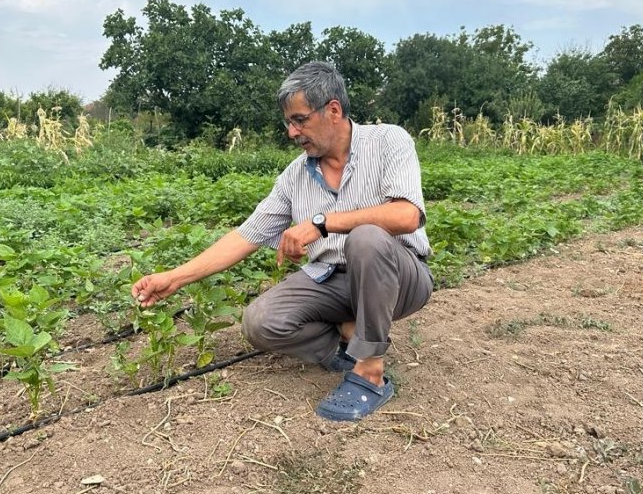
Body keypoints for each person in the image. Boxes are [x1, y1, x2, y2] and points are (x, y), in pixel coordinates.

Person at [131, 61, 433, 421]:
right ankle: (346, 336)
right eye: (289, 122)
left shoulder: (389, 141)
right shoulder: (295, 175)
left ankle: (370, 369)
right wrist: (174, 278)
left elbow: (406, 216)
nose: (292, 132)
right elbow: (246, 235)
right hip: (334, 278)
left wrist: (323, 223)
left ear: (333, 110)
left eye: (300, 119)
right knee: (260, 321)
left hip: (398, 276)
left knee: (366, 238)